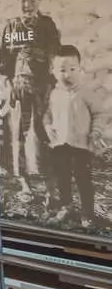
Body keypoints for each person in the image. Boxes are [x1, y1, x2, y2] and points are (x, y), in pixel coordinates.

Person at [0, 0, 62, 178]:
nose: (28, 5)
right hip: (18, 87)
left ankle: (45, 172)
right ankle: (21, 176)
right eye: (23, 0)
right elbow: (4, 60)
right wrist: (8, 85)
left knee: (42, 127)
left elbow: (55, 55)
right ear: (17, 0)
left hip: (42, 86)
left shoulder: (47, 25)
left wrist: (51, 83)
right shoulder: (11, 26)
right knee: (17, 130)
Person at [45, 45, 95, 223]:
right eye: (62, 70)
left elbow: (99, 114)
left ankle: (88, 212)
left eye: (72, 69)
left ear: (80, 69)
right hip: (60, 144)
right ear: (53, 71)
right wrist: (48, 126)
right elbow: (48, 115)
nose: (67, 74)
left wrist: (95, 133)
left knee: (83, 178)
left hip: (81, 144)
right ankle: (66, 206)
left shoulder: (86, 93)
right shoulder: (54, 94)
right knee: (62, 176)